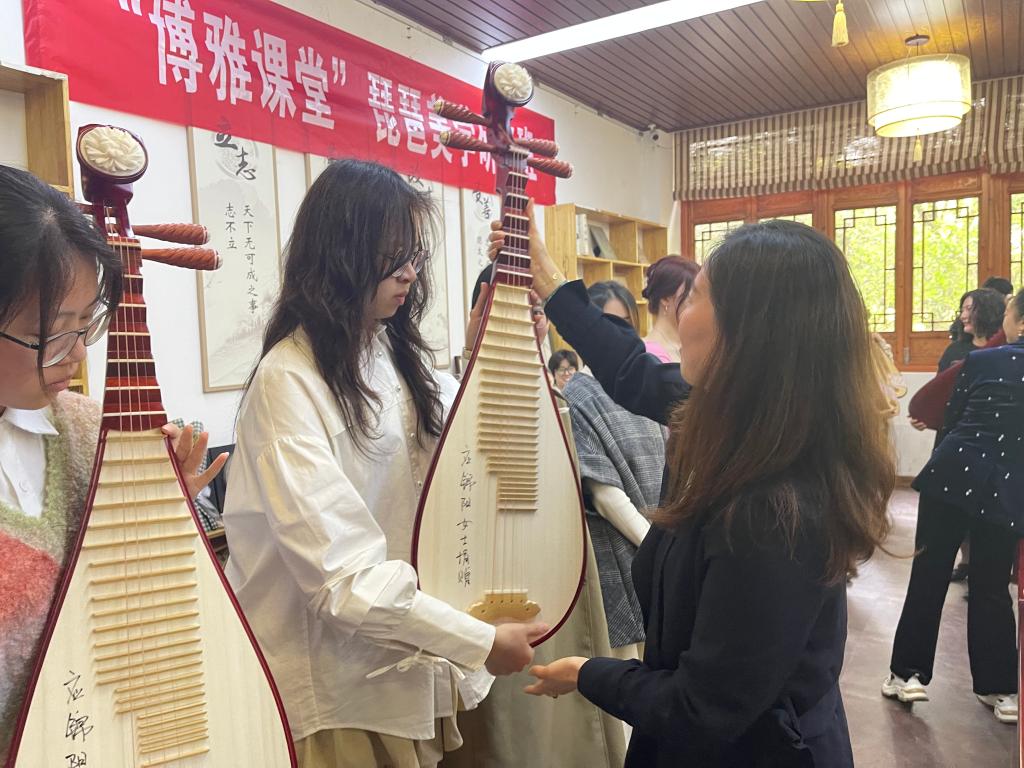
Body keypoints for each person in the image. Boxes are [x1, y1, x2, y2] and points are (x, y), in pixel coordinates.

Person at [490, 207, 894, 766]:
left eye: (698, 295)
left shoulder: (772, 510)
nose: (681, 313)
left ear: (748, 333)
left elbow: (703, 708)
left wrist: (588, 673)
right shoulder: (737, 418)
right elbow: (630, 370)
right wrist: (549, 278)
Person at [220, 160, 544, 768]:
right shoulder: (288, 381)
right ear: (341, 254)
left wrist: (495, 348)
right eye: (393, 257)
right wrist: (479, 640)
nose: (409, 273)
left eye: (413, 256)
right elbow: (342, 581)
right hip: (334, 687)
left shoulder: (389, 352)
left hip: (404, 666)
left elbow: (468, 451)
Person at [0, 164, 224, 763]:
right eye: (53, 332)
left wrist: (163, 516)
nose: (77, 354)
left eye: (86, 324)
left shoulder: (86, 429)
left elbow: (125, 613)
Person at [884, 289, 1024, 725]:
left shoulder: (982, 360)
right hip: (1009, 486)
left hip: (954, 474)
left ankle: (907, 675)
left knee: (930, 571)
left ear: (1019, 322)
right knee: (991, 584)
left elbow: (952, 416)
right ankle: (1000, 688)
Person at [641, 256, 698, 364]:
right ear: (665, 298)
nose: (697, 305)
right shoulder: (646, 354)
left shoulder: (694, 346)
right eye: (691, 298)